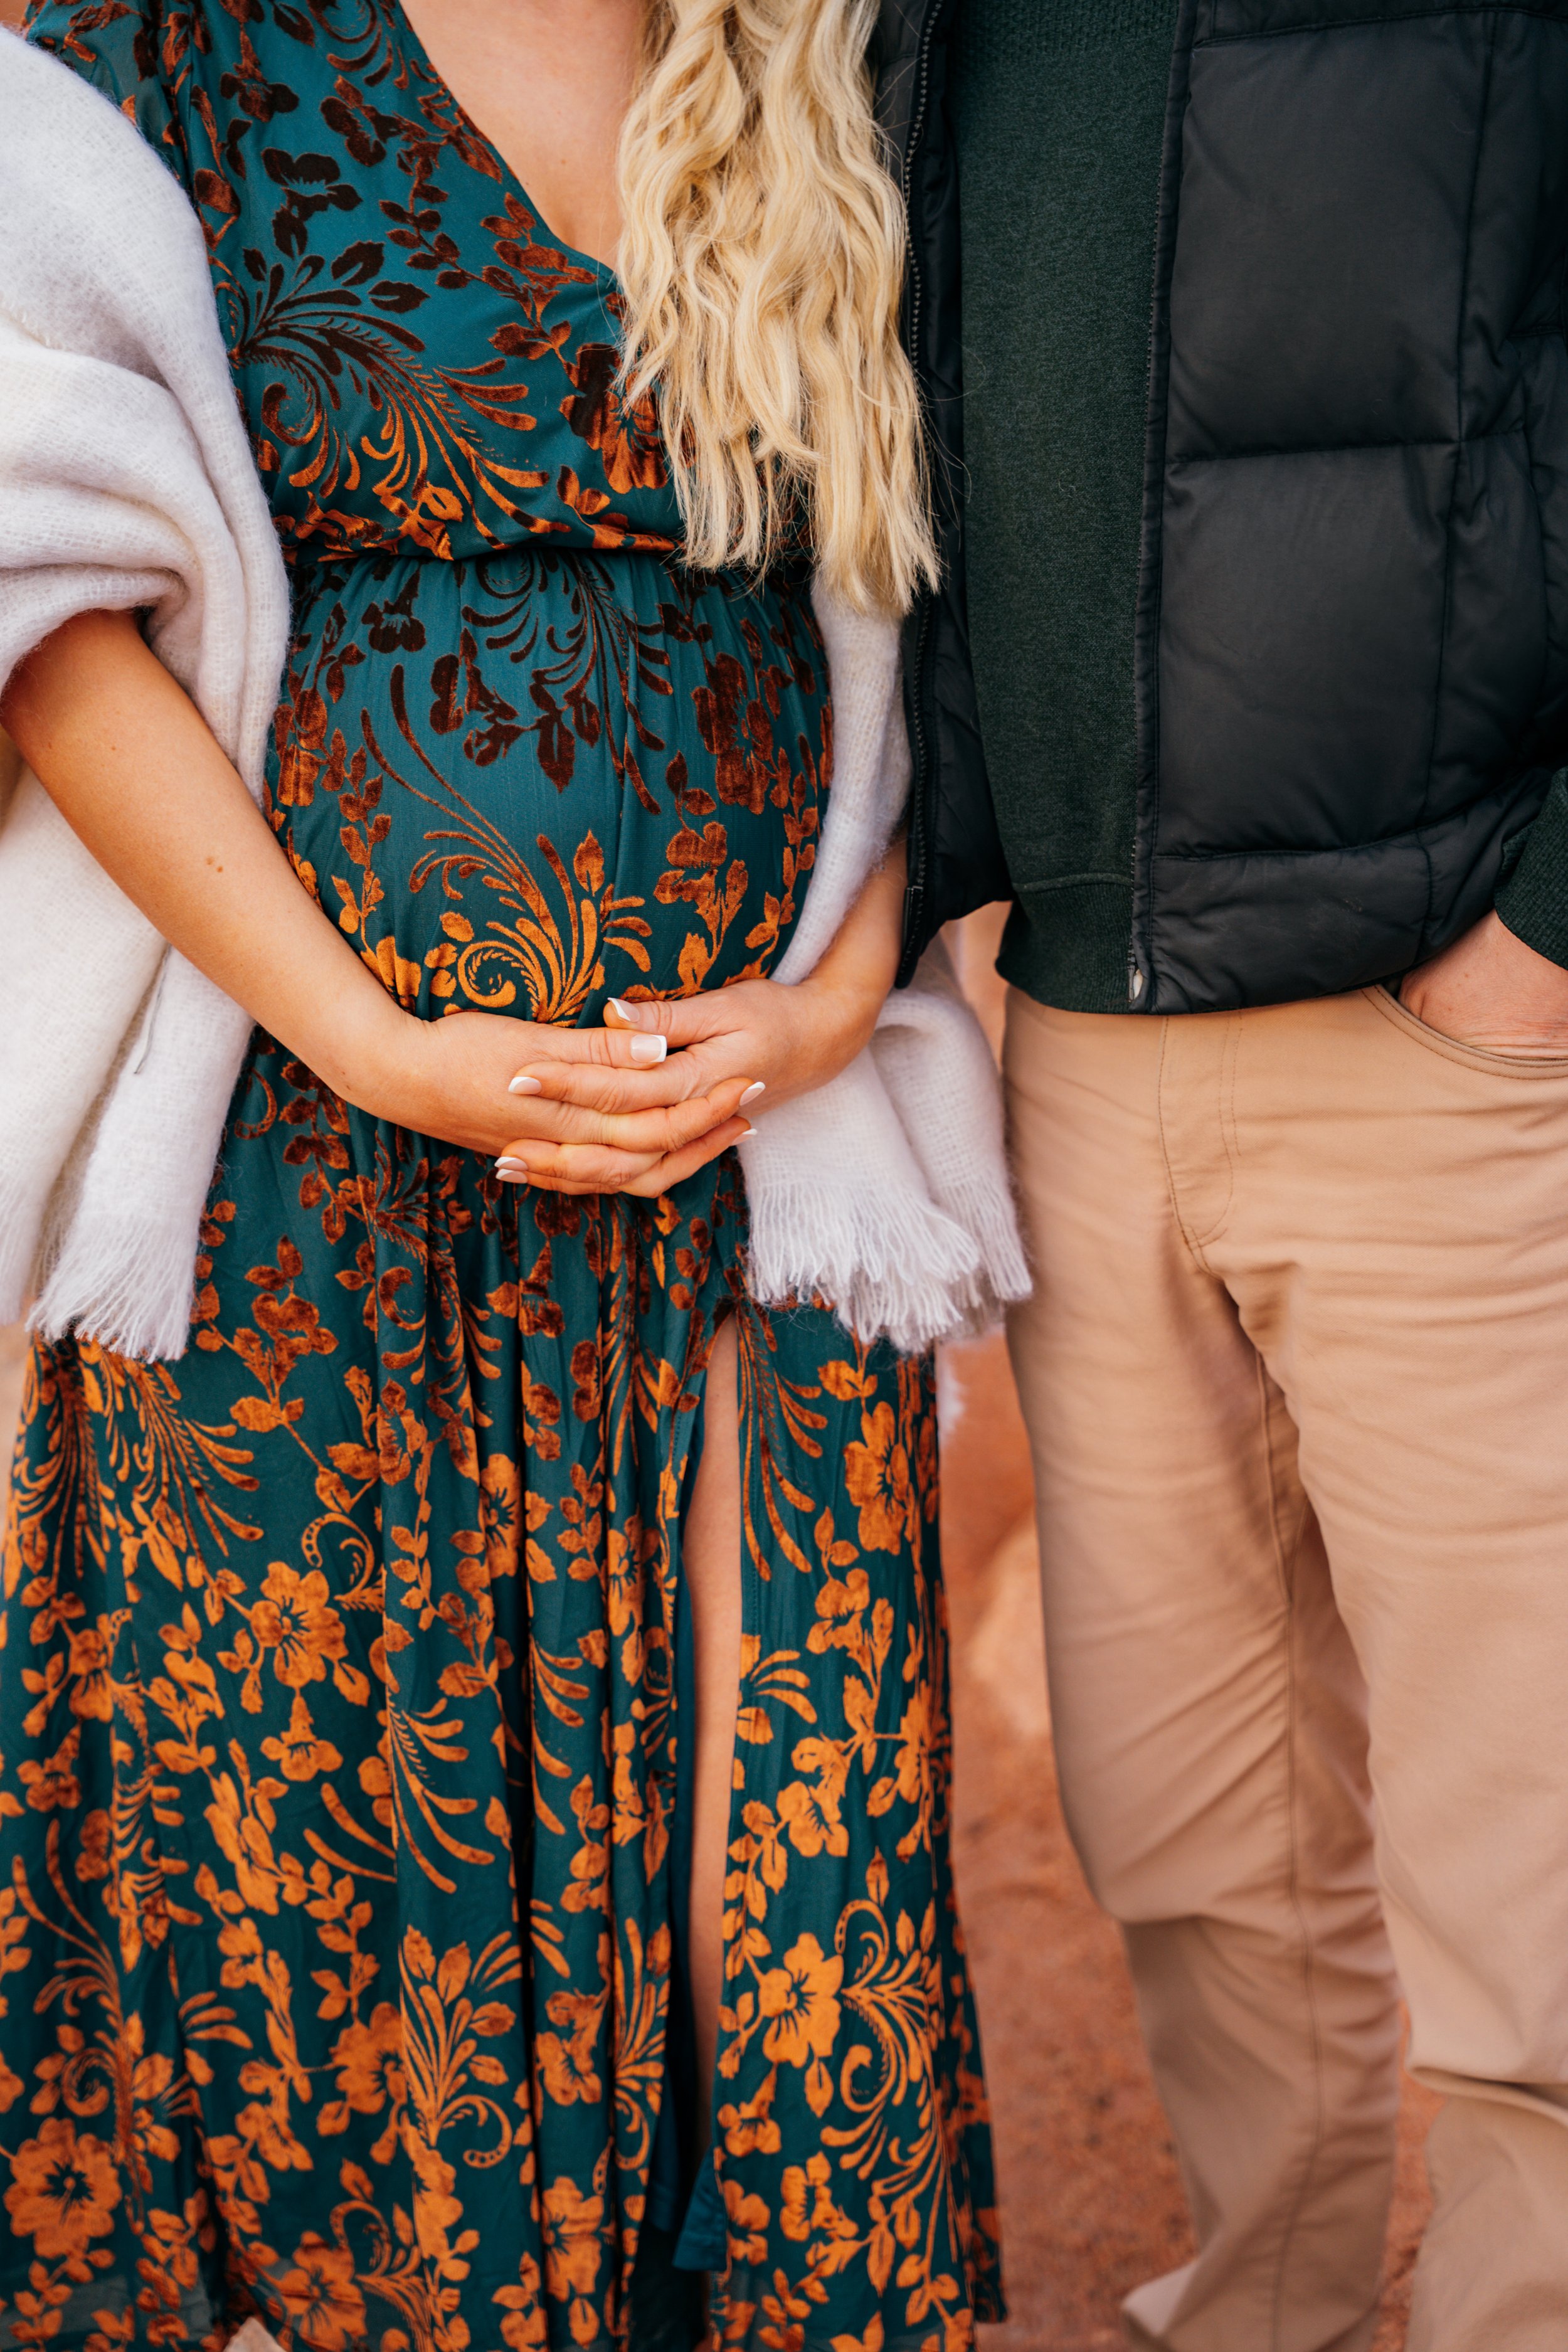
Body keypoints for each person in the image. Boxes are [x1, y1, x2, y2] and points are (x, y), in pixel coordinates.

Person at [0, 4, 1004, 2347]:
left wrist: (837, 998)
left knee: (775, 1892)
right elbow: (44, 593)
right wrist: (370, 1037)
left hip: (755, 1166)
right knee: (322, 1894)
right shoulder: (151, 47)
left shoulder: (827, 50)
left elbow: (961, 619)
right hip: (297, 1162)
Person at [874, 3, 1568, 2349]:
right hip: (1068, 1022)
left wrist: (1548, 942)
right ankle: (1270, 2315)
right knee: (1189, 1825)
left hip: (1450, 1031)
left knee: (1532, 1876)